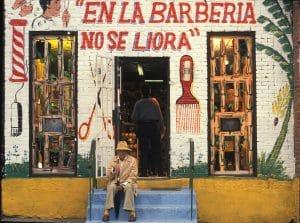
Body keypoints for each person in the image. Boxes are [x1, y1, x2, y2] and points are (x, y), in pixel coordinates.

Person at [131, 84, 165, 177]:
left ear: (141, 92)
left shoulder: (138, 103)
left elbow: (133, 118)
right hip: (154, 127)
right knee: (156, 150)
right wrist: (162, 128)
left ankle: (144, 172)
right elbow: (160, 117)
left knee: (143, 150)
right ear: (149, 91)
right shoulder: (154, 102)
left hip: (142, 127)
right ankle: (160, 172)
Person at [102, 141, 138, 222]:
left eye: (123, 150)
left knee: (129, 187)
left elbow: (133, 176)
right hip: (115, 181)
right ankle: (106, 212)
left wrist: (123, 184)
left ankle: (132, 212)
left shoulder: (133, 160)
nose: (121, 152)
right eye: (120, 150)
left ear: (127, 151)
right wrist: (114, 172)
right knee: (111, 187)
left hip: (128, 182)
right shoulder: (113, 160)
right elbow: (109, 176)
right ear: (117, 151)